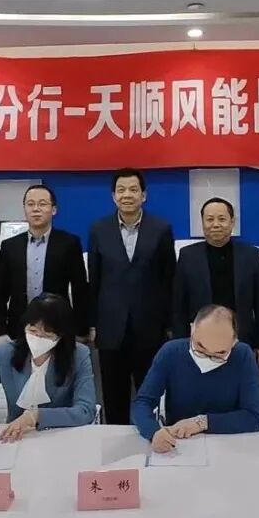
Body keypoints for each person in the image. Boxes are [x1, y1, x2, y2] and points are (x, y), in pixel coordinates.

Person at [87, 168, 176, 425]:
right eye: (121, 190)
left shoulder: (161, 229)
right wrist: (92, 323)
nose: (127, 195)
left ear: (143, 195)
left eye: (133, 190)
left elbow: (169, 279)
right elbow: (94, 280)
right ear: (113, 196)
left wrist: (169, 324)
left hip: (150, 327)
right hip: (110, 328)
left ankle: (151, 437)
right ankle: (116, 444)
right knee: (113, 397)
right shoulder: (99, 229)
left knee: (149, 396)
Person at [0, 293, 96, 442]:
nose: (38, 338)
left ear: (61, 335)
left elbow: (86, 410)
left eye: (47, 334)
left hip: (61, 439)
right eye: (33, 331)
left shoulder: (78, 355)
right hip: (15, 439)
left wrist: (35, 416)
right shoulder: (5, 353)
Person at [132, 305, 259, 452]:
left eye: (219, 353)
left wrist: (201, 423)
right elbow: (142, 402)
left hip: (228, 444)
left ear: (234, 342)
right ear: (192, 329)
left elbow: (254, 417)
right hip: (178, 443)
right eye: (200, 347)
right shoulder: (171, 352)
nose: (208, 357)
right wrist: (153, 432)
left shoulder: (243, 355)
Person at [172, 197, 259, 364]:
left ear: (232, 222)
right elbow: (179, 305)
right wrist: (179, 343)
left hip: (241, 340)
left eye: (222, 219)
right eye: (210, 219)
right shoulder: (188, 256)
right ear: (202, 222)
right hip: (199, 342)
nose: (216, 224)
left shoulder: (251, 255)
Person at [0, 184, 89, 343]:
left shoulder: (69, 243)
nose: (36, 209)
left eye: (42, 204)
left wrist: (81, 329)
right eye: (30, 204)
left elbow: (79, 289)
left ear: (54, 210)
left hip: (57, 326)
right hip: (18, 327)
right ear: (24, 209)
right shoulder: (9, 246)